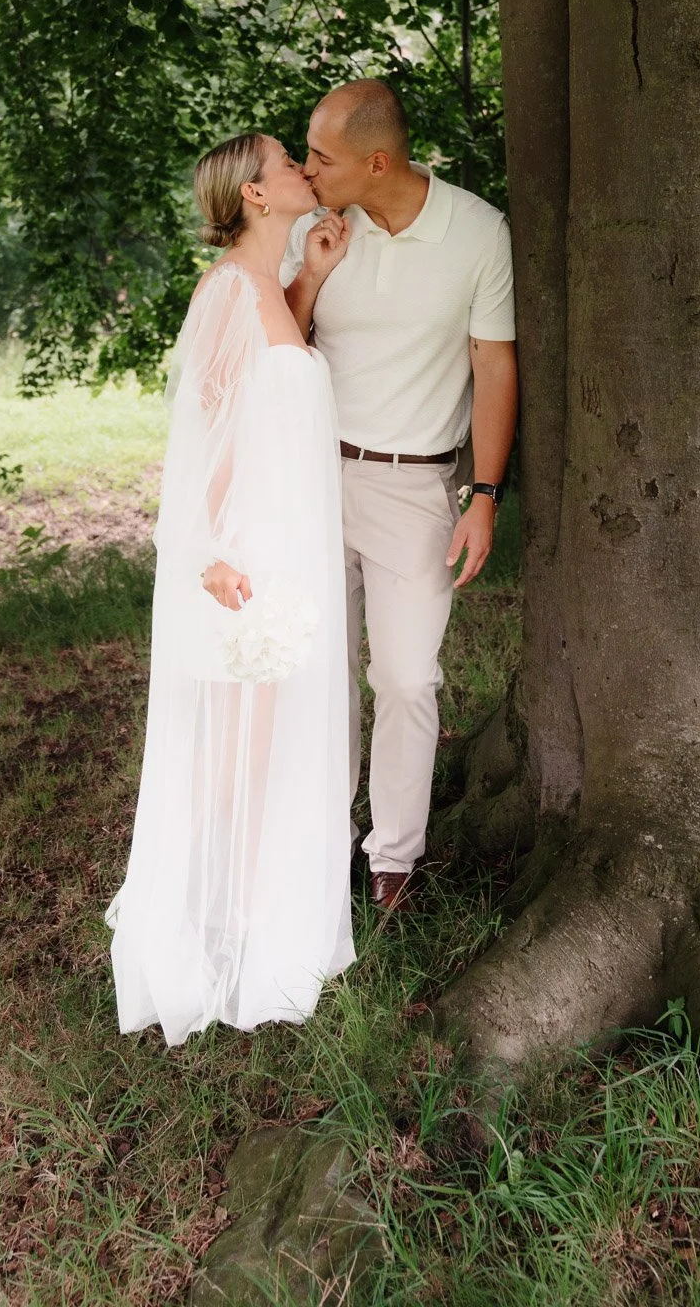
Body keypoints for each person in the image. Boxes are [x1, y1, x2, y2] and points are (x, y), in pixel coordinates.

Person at [108, 133, 355, 1044]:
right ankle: (188, 929)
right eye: (290, 163)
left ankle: (243, 922)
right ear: (255, 195)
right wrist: (211, 550)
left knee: (266, 748)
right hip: (243, 559)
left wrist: (314, 279)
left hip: (285, 546)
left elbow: (268, 379)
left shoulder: (264, 291)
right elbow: (205, 430)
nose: (304, 171)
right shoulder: (223, 292)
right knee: (232, 756)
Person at [284, 80, 518, 911]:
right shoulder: (311, 228)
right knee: (319, 671)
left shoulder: (478, 232)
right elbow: (279, 337)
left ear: (376, 161)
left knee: (409, 678)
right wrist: (312, 275)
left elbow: (494, 365)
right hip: (310, 478)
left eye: (321, 157)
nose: (306, 169)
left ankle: (393, 862)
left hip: (417, 483)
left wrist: (484, 492)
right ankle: (316, 838)